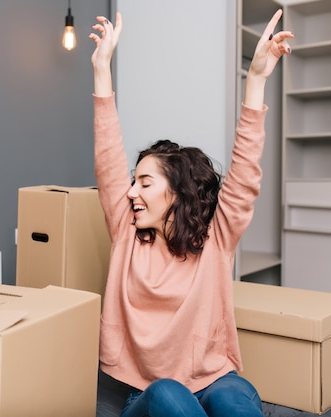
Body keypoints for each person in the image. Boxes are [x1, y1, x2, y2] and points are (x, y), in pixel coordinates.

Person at [89, 9, 294, 417]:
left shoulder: (216, 241)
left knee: (230, 398)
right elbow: (108, 154)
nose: (131, 192)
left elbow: (243, 175)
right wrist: (101, 69)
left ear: (178, 193)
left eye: (145, 183)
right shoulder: (127, 234)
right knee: (168, 393)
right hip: (148, 394)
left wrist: (255, 80)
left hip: (215, 378)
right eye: (134, 181)